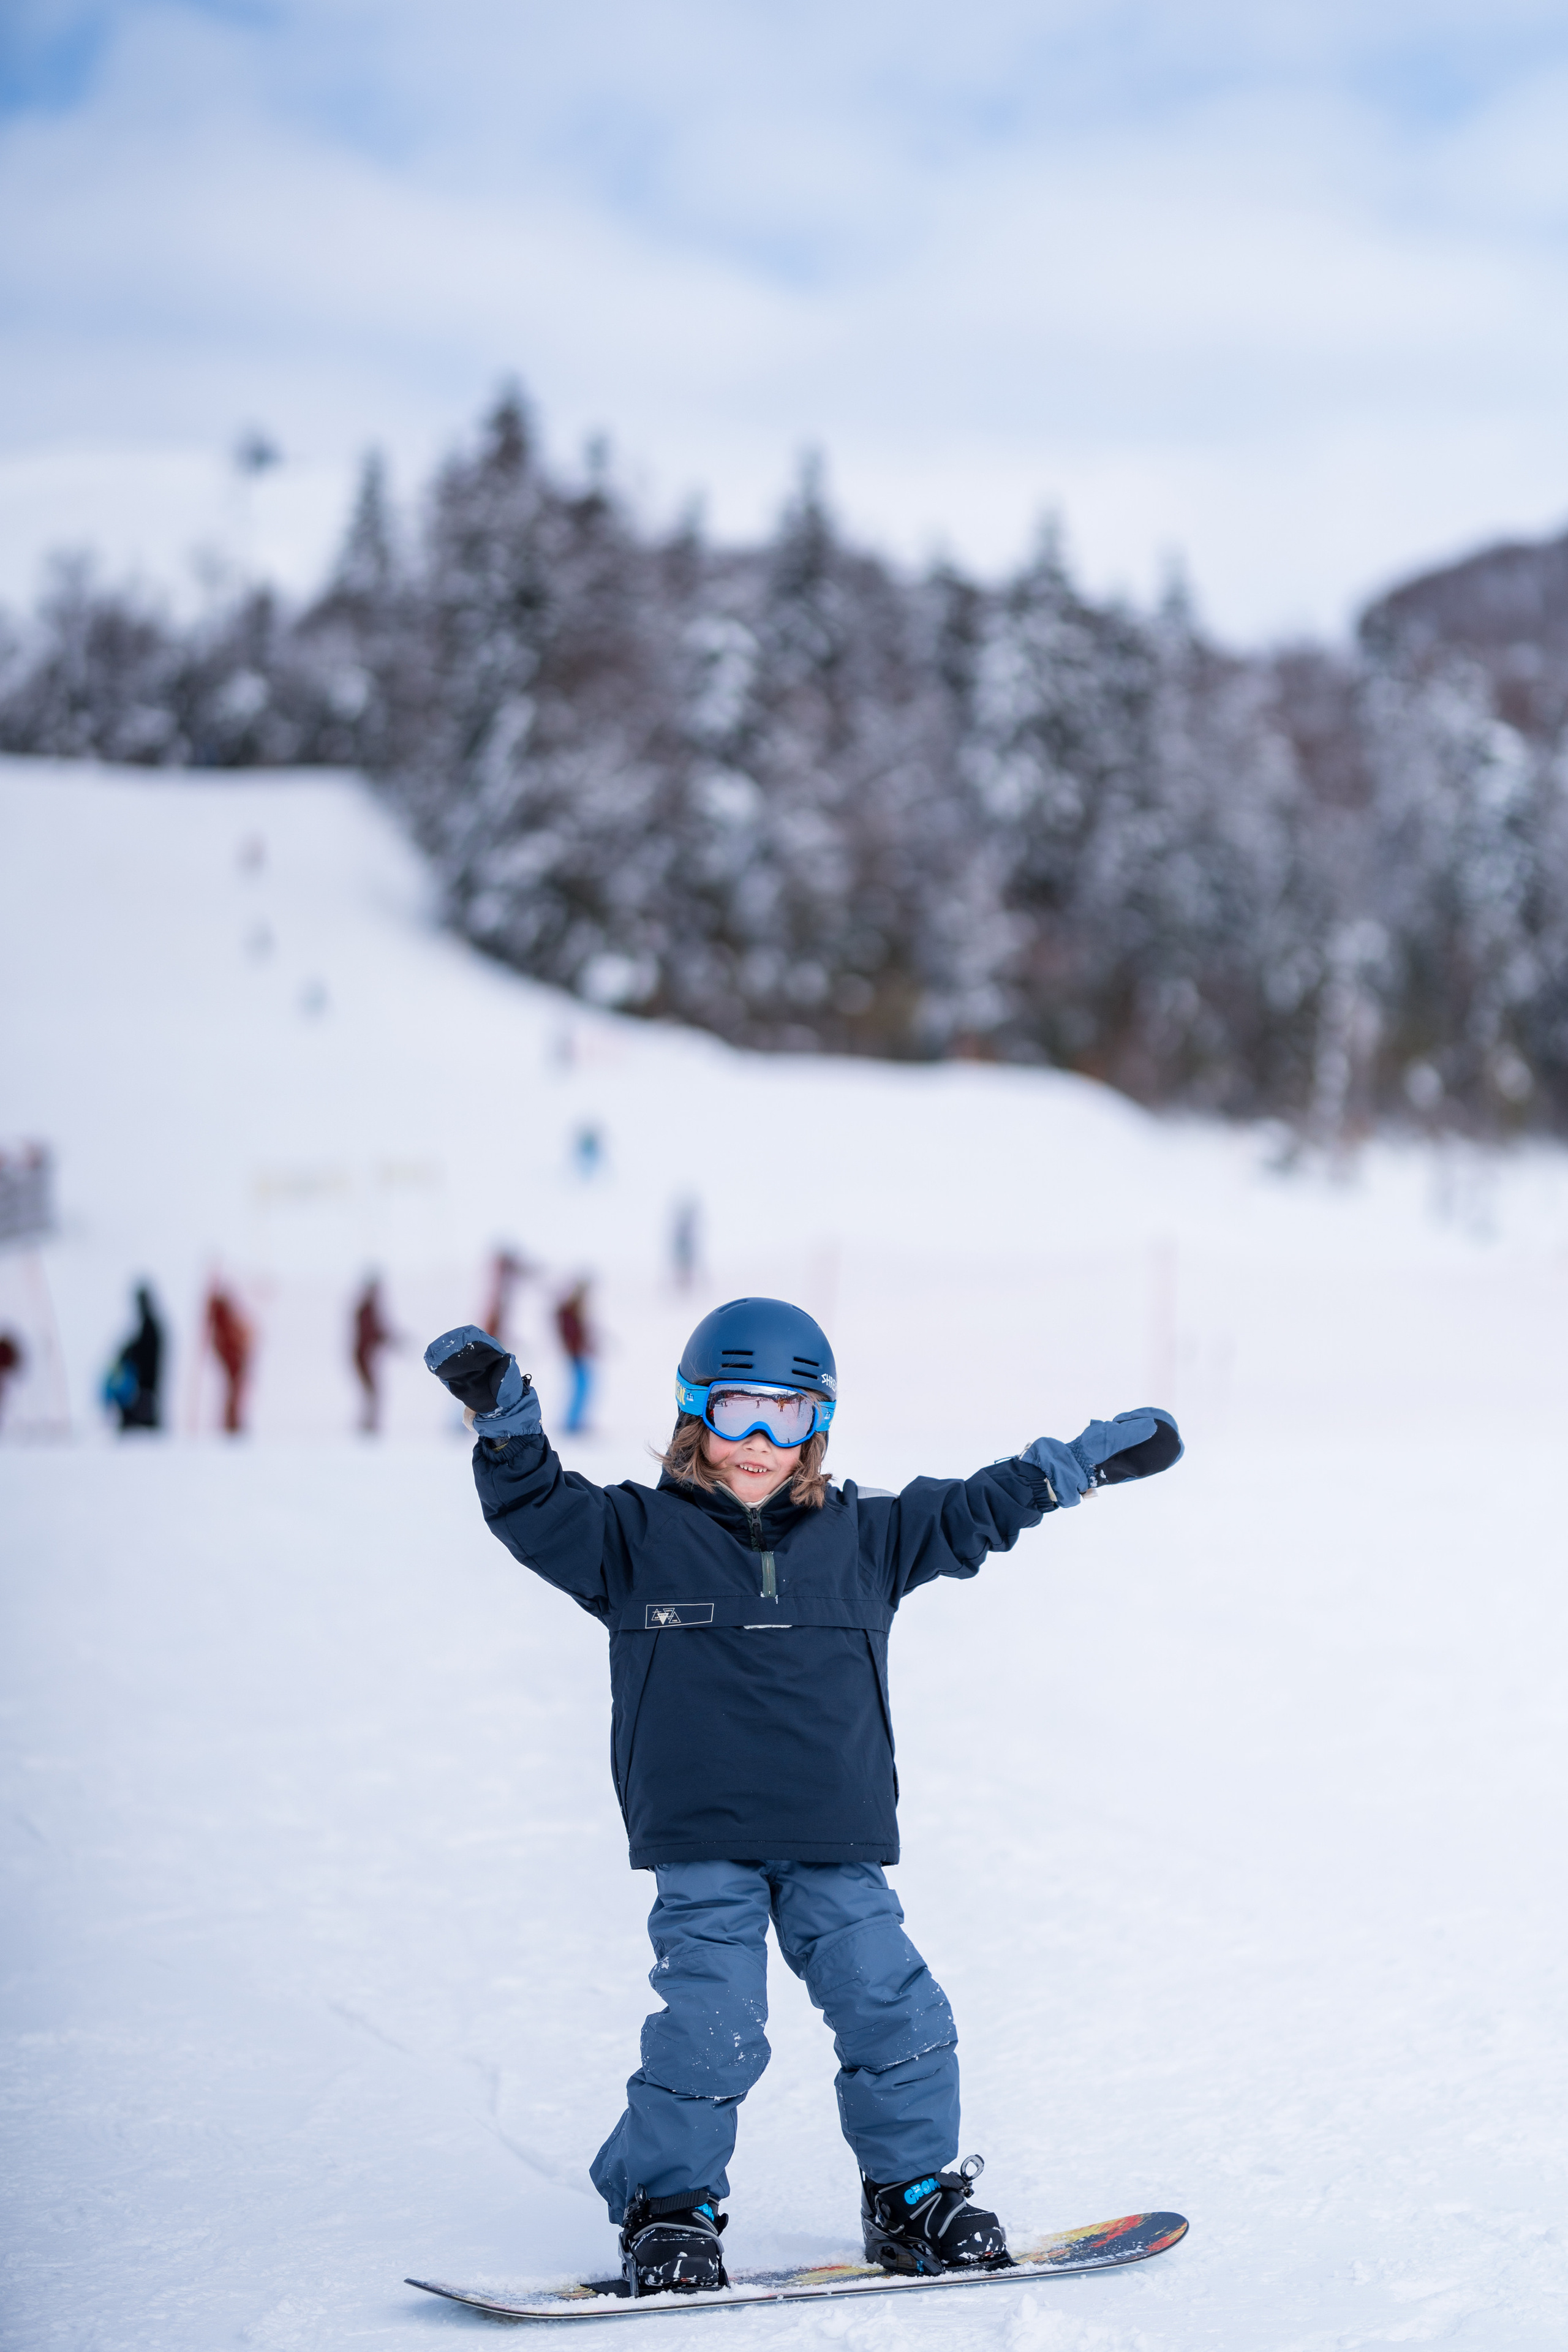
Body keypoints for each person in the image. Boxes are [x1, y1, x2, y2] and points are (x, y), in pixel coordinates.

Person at [424, 1295, 1183, 2297]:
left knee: (895, 2007)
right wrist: (509, 1425)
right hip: (704, 1842)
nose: (758, 1443)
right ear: (696, 1413)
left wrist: (1071, 1463)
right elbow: (538, 1511)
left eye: (786, 1418)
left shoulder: (867, 1534)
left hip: (836, 1840)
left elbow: (975, 1507)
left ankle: (912, 2198)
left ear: (816, 1427)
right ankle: (670, 2210)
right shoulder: (633, 1535)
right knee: (712, 2024)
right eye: (737, 1412)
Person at [104, 1284, 164, 1431]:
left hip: (146, 1386)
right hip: (144, 1386)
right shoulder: (148, 1325)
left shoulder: (150, 1326)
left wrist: (129, 1352)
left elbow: (145, 1352)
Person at [351, 1273, 398, 1435]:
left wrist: (392, 1339)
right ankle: (367, 1426)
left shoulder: (369, 1307)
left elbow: (377, 1331)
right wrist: (388, 1339)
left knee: (372, 1392)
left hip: (365, 1356)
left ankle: (368, 1425)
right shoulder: (366, 1308)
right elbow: (371, 1332)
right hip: (362, 1356)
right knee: (372, 1392)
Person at [204, 1281, 252, 1436]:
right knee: (233, 1390)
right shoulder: (224, 1324)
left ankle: (233, 1422)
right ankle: (231, 1422)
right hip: (233, 1358)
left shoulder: (228, 1323)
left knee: (235, 1391)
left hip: (236, 1358)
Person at [554, 1279, 595, 1435]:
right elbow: (570, 1335)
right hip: (575, 1355)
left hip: (578, 1354)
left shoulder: (574, 1311)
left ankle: (575, 1421)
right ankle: (572, 1423)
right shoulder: (568, 1310)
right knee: (581, 1386)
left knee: (584, 1386)